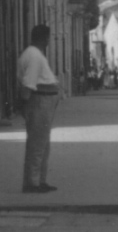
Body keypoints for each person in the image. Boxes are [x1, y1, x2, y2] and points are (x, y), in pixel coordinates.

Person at [17, 24, 60, 194]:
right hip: (40, 101)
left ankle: (39, 180)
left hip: (44, 101)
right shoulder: (34, 55)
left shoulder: (34, 54)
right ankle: (32, 183)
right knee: (37, 144)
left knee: (42, 143)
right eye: (48, 37)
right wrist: (25, 104)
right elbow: (29, 83)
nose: (49, 40)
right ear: (43, 38)